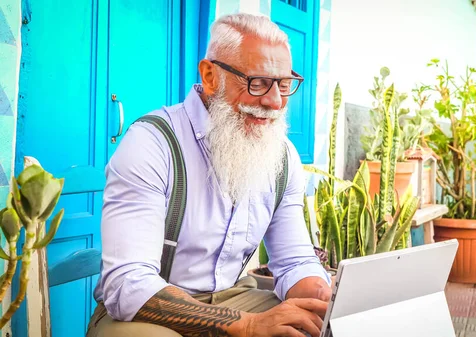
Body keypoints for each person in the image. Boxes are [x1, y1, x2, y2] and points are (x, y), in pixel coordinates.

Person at [86, 12, 332, 337]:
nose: (274, 102)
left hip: (236, 297)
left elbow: (295, 261)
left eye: (284, 85)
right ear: (211, 75)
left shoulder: (281, 156)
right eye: (257, 83)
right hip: (148, 311)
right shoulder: (152, 142)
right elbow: (127, 284)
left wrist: (321, 297)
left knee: (316, 325)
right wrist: (246, 326)